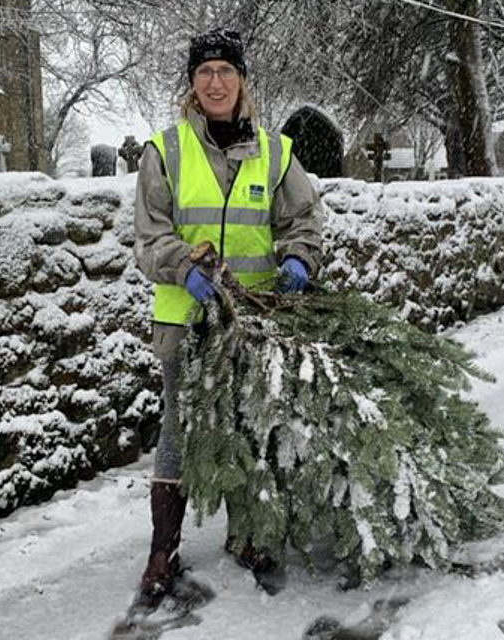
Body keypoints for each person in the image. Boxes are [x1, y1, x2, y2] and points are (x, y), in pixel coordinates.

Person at [132, 29, 323, 604]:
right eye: (204, 72)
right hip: (185, 320)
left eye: (225, 71)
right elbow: (149, 236)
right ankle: (162, 549)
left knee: (249, 422)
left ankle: (249, 533)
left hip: (254, 321)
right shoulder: (164, 151)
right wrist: (179, 268)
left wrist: (297, 260)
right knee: (178, 431)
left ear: (242, 81)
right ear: (192, 85)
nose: (215, 82)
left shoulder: (275, 151)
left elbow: (304, 221)